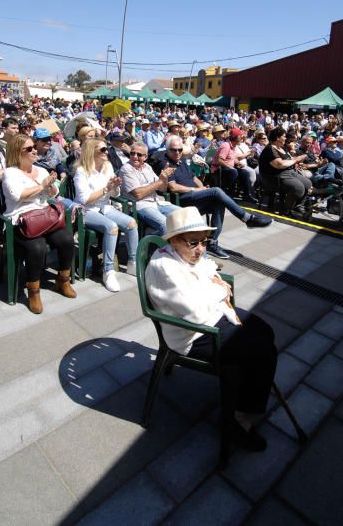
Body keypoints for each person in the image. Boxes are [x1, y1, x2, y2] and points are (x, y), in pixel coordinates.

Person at [145, 207, 277, 451]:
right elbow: (196, 313)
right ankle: (238, 419)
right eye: (193, 242)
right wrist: (219, 291)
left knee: (265, 330)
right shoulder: (165, 267)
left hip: (215, 315)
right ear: (173, 240)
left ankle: (249, 386)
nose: (201, 249)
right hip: (195, 333)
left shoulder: (187, 254)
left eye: (204, 241)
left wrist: (212, 287)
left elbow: (209, 270)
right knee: (264, 351)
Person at [156, 136, 272, 259]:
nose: (177, 152)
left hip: (195, 196)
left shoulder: (182, 160)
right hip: (182, 200)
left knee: (219, 202)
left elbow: (194, 178)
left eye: (180, 150)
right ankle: (247, 218)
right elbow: (173, 187)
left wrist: (203, 189)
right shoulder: (166, 163)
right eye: (174, 150)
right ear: (167, 149)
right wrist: (197, 190)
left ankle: (212, 242)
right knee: (216, 191)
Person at [2, 134, 76, 314]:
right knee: (37, 248)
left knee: (66, 239)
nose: (34, 150)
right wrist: (42, 185)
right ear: (17, 153)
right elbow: (18, 195)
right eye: (28, 149)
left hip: (44, 217)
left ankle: (62, 280)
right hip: (21, 220)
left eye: (34, 147)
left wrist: (50, 185)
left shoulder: (41, 170)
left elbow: (52, 194)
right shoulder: (10, 173)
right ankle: (33, 291)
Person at [73, 138, 138, 292]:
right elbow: (84, 200)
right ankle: (107, 271)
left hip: (104, 206)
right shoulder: (81, 171)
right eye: (102, 150)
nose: (106, 152)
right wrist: (105, 189)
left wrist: (114, 187)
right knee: (112, 227)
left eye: (106, 149)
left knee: (131, 223)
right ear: (91, 152)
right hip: (86, 211)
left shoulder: (107, 166)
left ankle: (132, 263)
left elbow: (115, 193)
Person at [119, 141, 180, 235]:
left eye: (139, 154)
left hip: (157, 202)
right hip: (140, 205)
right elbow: (138, 194)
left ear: (145, 157)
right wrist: (159, 181)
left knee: (183, 214)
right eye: (132, 153)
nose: (135, 156)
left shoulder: (147, 167)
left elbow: (162, 189)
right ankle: (168, 248)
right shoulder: (126, 169)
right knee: (165, 223)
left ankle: (186, 245)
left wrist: (164, 178)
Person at [258, 127, 312, 215]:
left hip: (288, 172)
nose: (285, 138)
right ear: (277, 137)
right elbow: (279, 164)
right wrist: (296, 159)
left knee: (308, 184)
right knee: (299, 188)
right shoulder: (270, 149)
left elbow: (290, 159)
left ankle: (297, 206)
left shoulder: (282, 148)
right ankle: (286, 210)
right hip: (275, 176)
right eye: (284, 136)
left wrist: (296, 160)